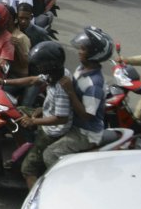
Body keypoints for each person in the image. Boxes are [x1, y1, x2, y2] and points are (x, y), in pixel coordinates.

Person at [4, 41, 72, 189]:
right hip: (44, 114)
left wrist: (33, 122)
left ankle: (34, 203)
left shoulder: (62, 87)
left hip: (51, 132)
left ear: (50, 65)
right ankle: (25, 146)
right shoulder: (56, 74)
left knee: (28, 169)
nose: (38, 68)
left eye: (41, 65)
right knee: (13, 112)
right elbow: (32, 80)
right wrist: (4, 81)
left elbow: (61, 118)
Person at [43, 26, 113, 169]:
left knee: (50, 154)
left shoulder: (94, 84)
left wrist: (70, 91)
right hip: (72, 123)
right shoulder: (82, 68)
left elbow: (87, 115)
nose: (79, 52)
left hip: (84, 133)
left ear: (93, 54)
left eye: (83, 49)